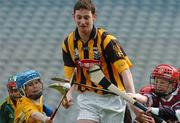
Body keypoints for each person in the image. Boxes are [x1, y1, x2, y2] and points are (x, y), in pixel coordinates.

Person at [61, 0, 135, 123]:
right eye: (79, 17)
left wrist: (132, 99)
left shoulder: (107, 40)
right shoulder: (68, 42)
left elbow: (125, 71)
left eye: (86, 17)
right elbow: (70, 75)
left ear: (94, 17)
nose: (82, 22)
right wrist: (67, 94)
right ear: (73, 16)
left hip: (112, 97)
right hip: (88, 97)